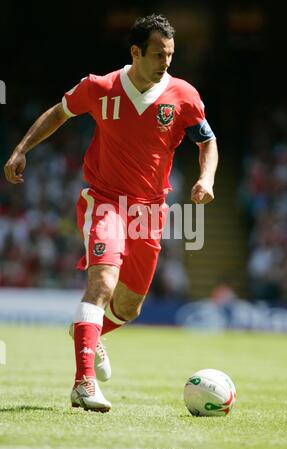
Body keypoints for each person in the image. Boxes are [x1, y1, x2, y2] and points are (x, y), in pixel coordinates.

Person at [4, 14, 218, 412]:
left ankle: (87, 331)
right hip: (104, 200)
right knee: (101, 285)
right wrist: (21, 149)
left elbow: (207, 142)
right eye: (158, 55)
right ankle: (83, 384)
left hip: (151, 210)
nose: (166, 63)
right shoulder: (100, 87)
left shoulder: (183, 95)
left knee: (128, 307)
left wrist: (206, 178)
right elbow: (59, 112)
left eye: (170, 55)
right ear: (135, 53)